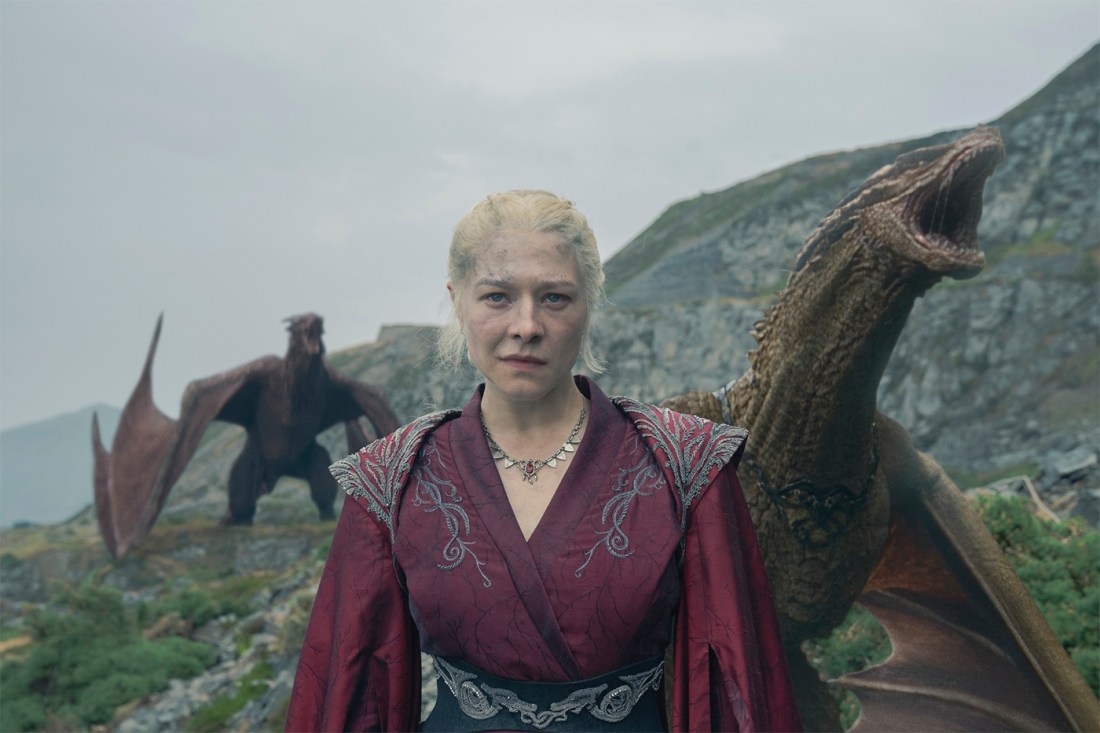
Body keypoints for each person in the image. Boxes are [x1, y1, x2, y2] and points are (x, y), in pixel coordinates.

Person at [285, 190, 801, 732]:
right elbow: (351, 693)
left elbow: (735, 688)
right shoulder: (391, 478)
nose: (526, 325)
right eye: (497, 297)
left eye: (555, 297)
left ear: (588, 305)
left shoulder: (685, 465)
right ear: (457, 301)